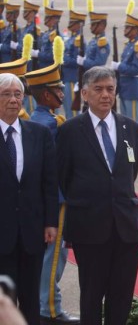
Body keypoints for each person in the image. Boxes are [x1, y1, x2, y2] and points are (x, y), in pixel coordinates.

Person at [57, 66, 138, 324]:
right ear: (84, 93)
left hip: (127, 228)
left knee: (122, 295)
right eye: (98, 89)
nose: (105, 95)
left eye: (110, 89)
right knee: (92, 295)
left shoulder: (131, 128)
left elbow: (131, 171)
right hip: (90, 227)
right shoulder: (70, 131)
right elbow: (64, 177)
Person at [23, 39, 80, 324]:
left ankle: (42, 302)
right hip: (57, 198)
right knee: (55, 255)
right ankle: (50, 308)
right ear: (45, 95)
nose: (62, 92)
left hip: (46, 197)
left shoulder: (37, 118)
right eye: (57, 89)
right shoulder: (51, 124)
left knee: (49, 254)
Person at [0, 72, 58, 325]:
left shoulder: (39, 133)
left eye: (18, 94)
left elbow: (49, 182)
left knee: (30, 297)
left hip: (32, 231)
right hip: (2, 232)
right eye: (6, 94)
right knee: (4, 300)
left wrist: (50, 222)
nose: (13, 100)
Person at [111, 0, 138, 124]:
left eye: (128, 28)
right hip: (124, 88)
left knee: (132, 123)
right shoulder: (129, 45)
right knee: (124, 124)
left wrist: (119, 66)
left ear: (136, 31)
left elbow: (136, 69)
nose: (124, 30)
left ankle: (134, 144)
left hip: (132, 89)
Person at [61, 0, 86, 120]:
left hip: (72, 78)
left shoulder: (78, 40)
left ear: (78, 25)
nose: (70, 23)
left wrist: (63, 58)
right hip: (67, 77)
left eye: (73, 21)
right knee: (67, 110)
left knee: (73, 113)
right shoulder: (71, 39)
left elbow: (76, 61)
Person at [76, 0, 109, 77]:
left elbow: (99, 64)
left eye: (93, 25)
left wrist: (84, 62)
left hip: (95, 78)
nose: (90, 27)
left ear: (102, 25)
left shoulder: (102, 42)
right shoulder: (94, 40)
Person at [36, 0, 63, 70]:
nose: (45, 20)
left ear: (55, 20)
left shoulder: (55, 35)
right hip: (42, 67)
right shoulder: (47, 33)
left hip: (49, 69)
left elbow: (52, 56)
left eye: (48, 18)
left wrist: (38, 54)